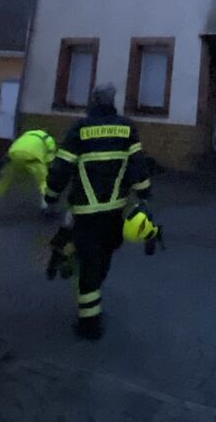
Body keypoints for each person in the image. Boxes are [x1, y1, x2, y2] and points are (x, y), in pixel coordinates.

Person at [44, 84, 153, 340]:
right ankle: (80, 279)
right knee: (102, 258)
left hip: (85, 211)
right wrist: (144, 196)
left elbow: (61, 167)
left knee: (89, 266)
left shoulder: (80, 129)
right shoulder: (127, 128)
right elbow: (137, 166)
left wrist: (50, 196)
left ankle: (89, 324)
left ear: (93, 101)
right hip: (114, 211)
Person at [0, 127, 60, 218]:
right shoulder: (48, 138)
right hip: (33, 159)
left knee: (4, 182)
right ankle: (45, 208)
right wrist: (45, 167)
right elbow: (50, 157)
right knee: (43, 183)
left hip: (14, 155)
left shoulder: (27, 134)